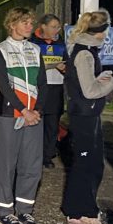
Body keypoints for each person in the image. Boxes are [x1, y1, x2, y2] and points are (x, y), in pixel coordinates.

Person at [61, 9, 113, 224]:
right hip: (83, 116)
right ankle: (75, 213)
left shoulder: (88, 50)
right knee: (84, 165)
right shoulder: (84, 53)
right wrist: (110, 83)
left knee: (93, 164)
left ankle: (87, 211)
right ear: (102, 30)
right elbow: (90, 90)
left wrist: (101, 79)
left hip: (89, 114)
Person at [0, 7, 47, 224]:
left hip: (34, 116)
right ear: (12, 24)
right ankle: (4, 213)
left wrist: (37, 110)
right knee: (7, 165)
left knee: (31, 165)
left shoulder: (35, 49)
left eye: (31, 22)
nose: (29, 26)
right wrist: (23, 110)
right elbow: (4, 85)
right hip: (10, 115)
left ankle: (25, 210)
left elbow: (43, 83)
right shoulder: (0, 50)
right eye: (25, 22)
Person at [31, 14, 67, 168]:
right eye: (53, 27)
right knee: (37, 123)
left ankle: (47, 156)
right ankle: (33, 156)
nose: (56, 30)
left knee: (52, 125)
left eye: (58, 27)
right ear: (43, 27)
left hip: (56, 88)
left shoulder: (61, 43)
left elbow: (67, 62)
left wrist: (65, 68)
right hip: (38, 88)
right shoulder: (33, 42)